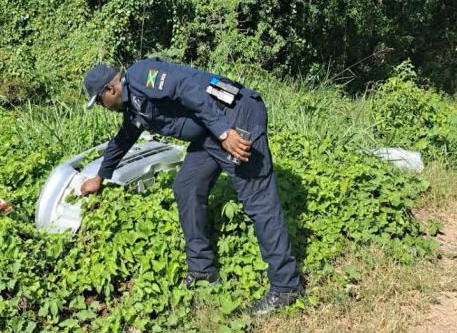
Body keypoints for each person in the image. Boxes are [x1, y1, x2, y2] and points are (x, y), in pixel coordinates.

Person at [80, 58, 302, 315]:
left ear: (110, 90)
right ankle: (202, 270)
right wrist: (100, 176)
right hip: (211, 132)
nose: (101, 106)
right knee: (187, 186)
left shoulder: (141, 75)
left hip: (234, 118)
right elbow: (124, 138)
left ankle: (286, 287)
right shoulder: (134, 106)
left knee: (258, 200)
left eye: (99, 101)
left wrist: (223, 133)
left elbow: (187, 87)